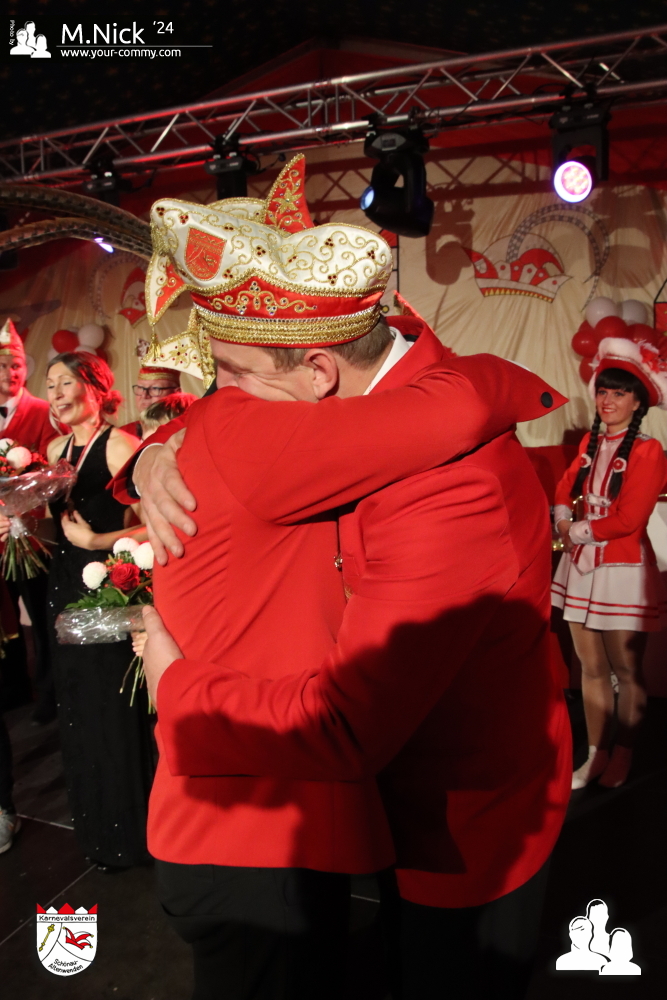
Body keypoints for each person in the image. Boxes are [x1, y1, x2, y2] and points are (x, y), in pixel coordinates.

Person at [116, 154, 570, 1000]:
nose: (220, 397)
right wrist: (152, 453)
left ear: (319, 372)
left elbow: (343, 730)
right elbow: (219, 427)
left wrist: (177, 688)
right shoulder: (343, 408)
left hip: (454, 820)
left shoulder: (447, 485)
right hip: (370, 799)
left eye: (234, 375)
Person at [0, 352, 154, 872]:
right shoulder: (54, 449)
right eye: (50, 384)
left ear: (96, 388)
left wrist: (97, 541)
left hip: (112, 589)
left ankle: (137, 836)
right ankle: (99, 833)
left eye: (66, 382)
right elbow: (58, 528)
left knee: (114, 708)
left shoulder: (121, 445)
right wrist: (20, 524)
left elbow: (153, 524)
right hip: (63, 587)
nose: (56, 393)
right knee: (79, 707)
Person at [552, 336, 667, 790]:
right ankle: (596, 754)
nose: (608, 400)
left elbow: (630, 519)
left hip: (621, 570)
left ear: (638, 402)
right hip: (582, 566)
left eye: (619, 393)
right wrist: (562, 516)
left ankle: (624, 753)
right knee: (590, 666)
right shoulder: (590, 441)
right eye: (603, 391)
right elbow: (564, 487)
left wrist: (575, 531)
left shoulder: (649, 450)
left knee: (625, 667)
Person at [0, 318, 60, 724]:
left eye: (17, 365)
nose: (11, 372)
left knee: (41, 615)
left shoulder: (41, 411)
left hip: (33, 533)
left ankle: (50, 693)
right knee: (5, 615)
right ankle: (14, 687)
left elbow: (51, 470)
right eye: (3, 365)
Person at [120, 364, 182, 439]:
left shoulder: (185, 432)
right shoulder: (123, 435)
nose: (145, 395)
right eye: (140, 388)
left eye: (155, 389)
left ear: (176, 393)